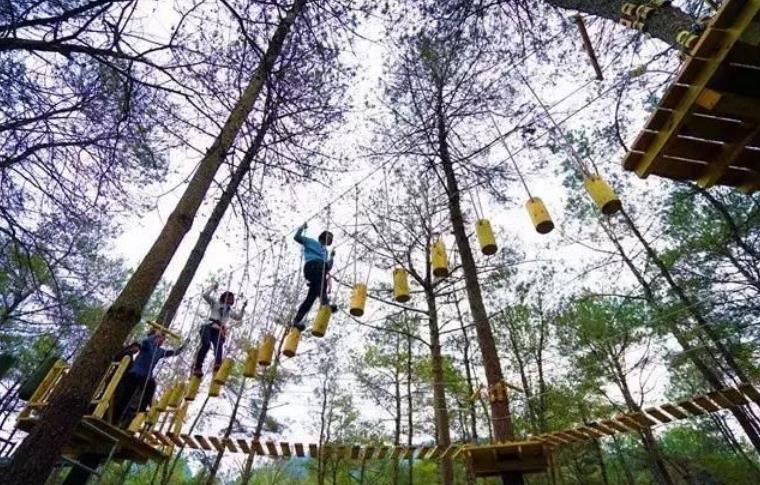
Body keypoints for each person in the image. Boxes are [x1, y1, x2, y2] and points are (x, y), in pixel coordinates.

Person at [113, 329, 184, 425]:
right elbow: (145, 341)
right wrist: (155, 335)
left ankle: (139, 411)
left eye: (163, 340)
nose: (162, 341)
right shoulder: (148, 345)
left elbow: (174, 352)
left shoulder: (160, 351)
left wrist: (184, 345)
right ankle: (116, 418)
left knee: (150, 388)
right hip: (134, 374)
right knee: (125, 396)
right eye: (160, 339)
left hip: (145, 377)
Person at [192, 283, 246, 377]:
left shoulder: (229, 311)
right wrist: (213, 287)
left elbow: (238, 317)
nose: (230, 300)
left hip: (218, 330)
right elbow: (205, 295)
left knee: (219, 345)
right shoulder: (216, 304)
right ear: (224, 297)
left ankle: (217, 363)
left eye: (231, 299)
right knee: (206, 344)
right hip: (208, 326)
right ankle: (198, 367)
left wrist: (243, 308)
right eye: (228, 298)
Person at [292, 222, 337, 331]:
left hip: (319, 271)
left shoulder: (325, 252)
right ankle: (325, 302)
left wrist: (331, 257)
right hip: (312, 266)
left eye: (331, 239)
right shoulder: (311, 242)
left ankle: (296, 320)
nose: (330, 240)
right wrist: (302, 228)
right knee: (322, 281)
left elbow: (328, 267)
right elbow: (297, 237)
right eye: (329, 237)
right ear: (323, 236)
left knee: (310, 298)